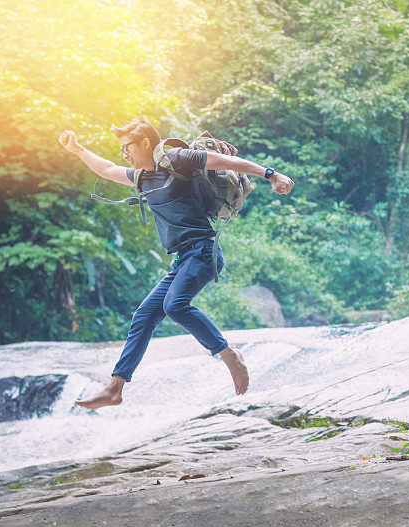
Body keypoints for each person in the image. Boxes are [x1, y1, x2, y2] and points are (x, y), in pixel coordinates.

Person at [57, 117, 294, 409]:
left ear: (146, 142)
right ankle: (114, 388)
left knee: (174, 305)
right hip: (183, 259)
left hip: (204, 251)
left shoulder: (178, 159)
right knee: (144, 316)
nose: (124, 154)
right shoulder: (141, 176)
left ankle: (229, 354)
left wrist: (271, 174)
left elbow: (229, 163)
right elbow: (107, 169)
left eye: (127, 147)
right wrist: (78, 149)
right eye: (121, 150)